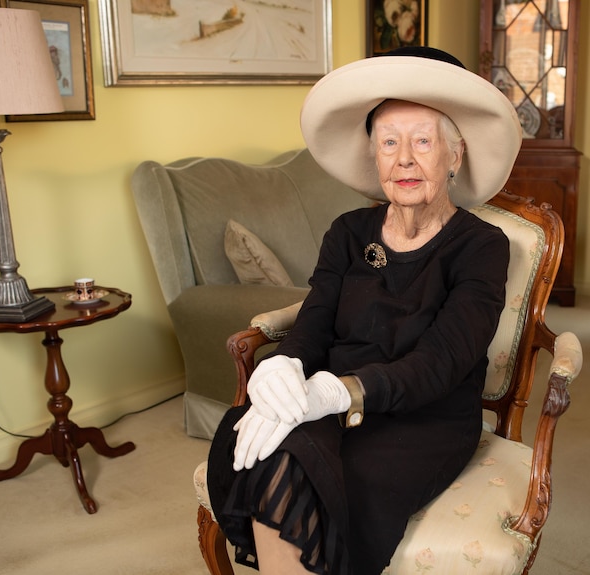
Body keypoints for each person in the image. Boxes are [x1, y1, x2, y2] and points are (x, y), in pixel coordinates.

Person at [207, 47, 522, 575]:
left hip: (426, 417)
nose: (404, 159)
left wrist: (340, 391)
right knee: (266, 455)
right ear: (374, 157)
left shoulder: (482, 246)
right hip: (323, 402)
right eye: (389, 143)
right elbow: (314, 321)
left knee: (313, 480)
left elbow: (445, 361)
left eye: (423, 141)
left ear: (455, 154)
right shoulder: (348, 232)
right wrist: (284, 367)